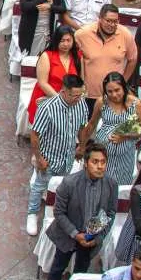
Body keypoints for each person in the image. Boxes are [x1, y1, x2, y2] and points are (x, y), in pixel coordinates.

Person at [38, 143, 117, 280]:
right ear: (86, 163)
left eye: (103, 162)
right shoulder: (70, 183)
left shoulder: (111, 184)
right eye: (95, 162)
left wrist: (98, 238)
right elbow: (59, 212)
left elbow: (110, 213)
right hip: (68, 234)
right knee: (57, 267)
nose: (100, 166)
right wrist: (75, 234)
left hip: (90, 239)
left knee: (81, 269)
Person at [26, 73, 88, 237]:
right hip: (49, 157)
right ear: (63, 91)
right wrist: (39, 158)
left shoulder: (81, 104)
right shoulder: (48, 108)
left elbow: (82, 127)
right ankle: (32, 213)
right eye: (74, 95)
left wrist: (82, 146)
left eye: (80, 95)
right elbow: (35, 134)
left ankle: (57, 213)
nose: (78, 99)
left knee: (62, 187)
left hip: (68, 157)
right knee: (39, 185)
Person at [87, 72, 141, 185]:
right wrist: (82, 146)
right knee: (100, 184)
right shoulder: (101, 102)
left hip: (125, 157)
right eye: (109, 91)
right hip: (102, 154)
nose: (114, 94)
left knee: (121, 187)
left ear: (124, 87)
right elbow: (91, 124)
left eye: (117, 90)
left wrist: (125, 136)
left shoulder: (136, 104)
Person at [75, 5, 138, 108]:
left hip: (114, 95)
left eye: (115, 21)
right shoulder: (82, 34)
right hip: (88, 95)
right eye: (108, 21)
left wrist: (123, 81)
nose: (112, 25)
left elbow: (133, 59)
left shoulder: (125, 34)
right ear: (100, 19)